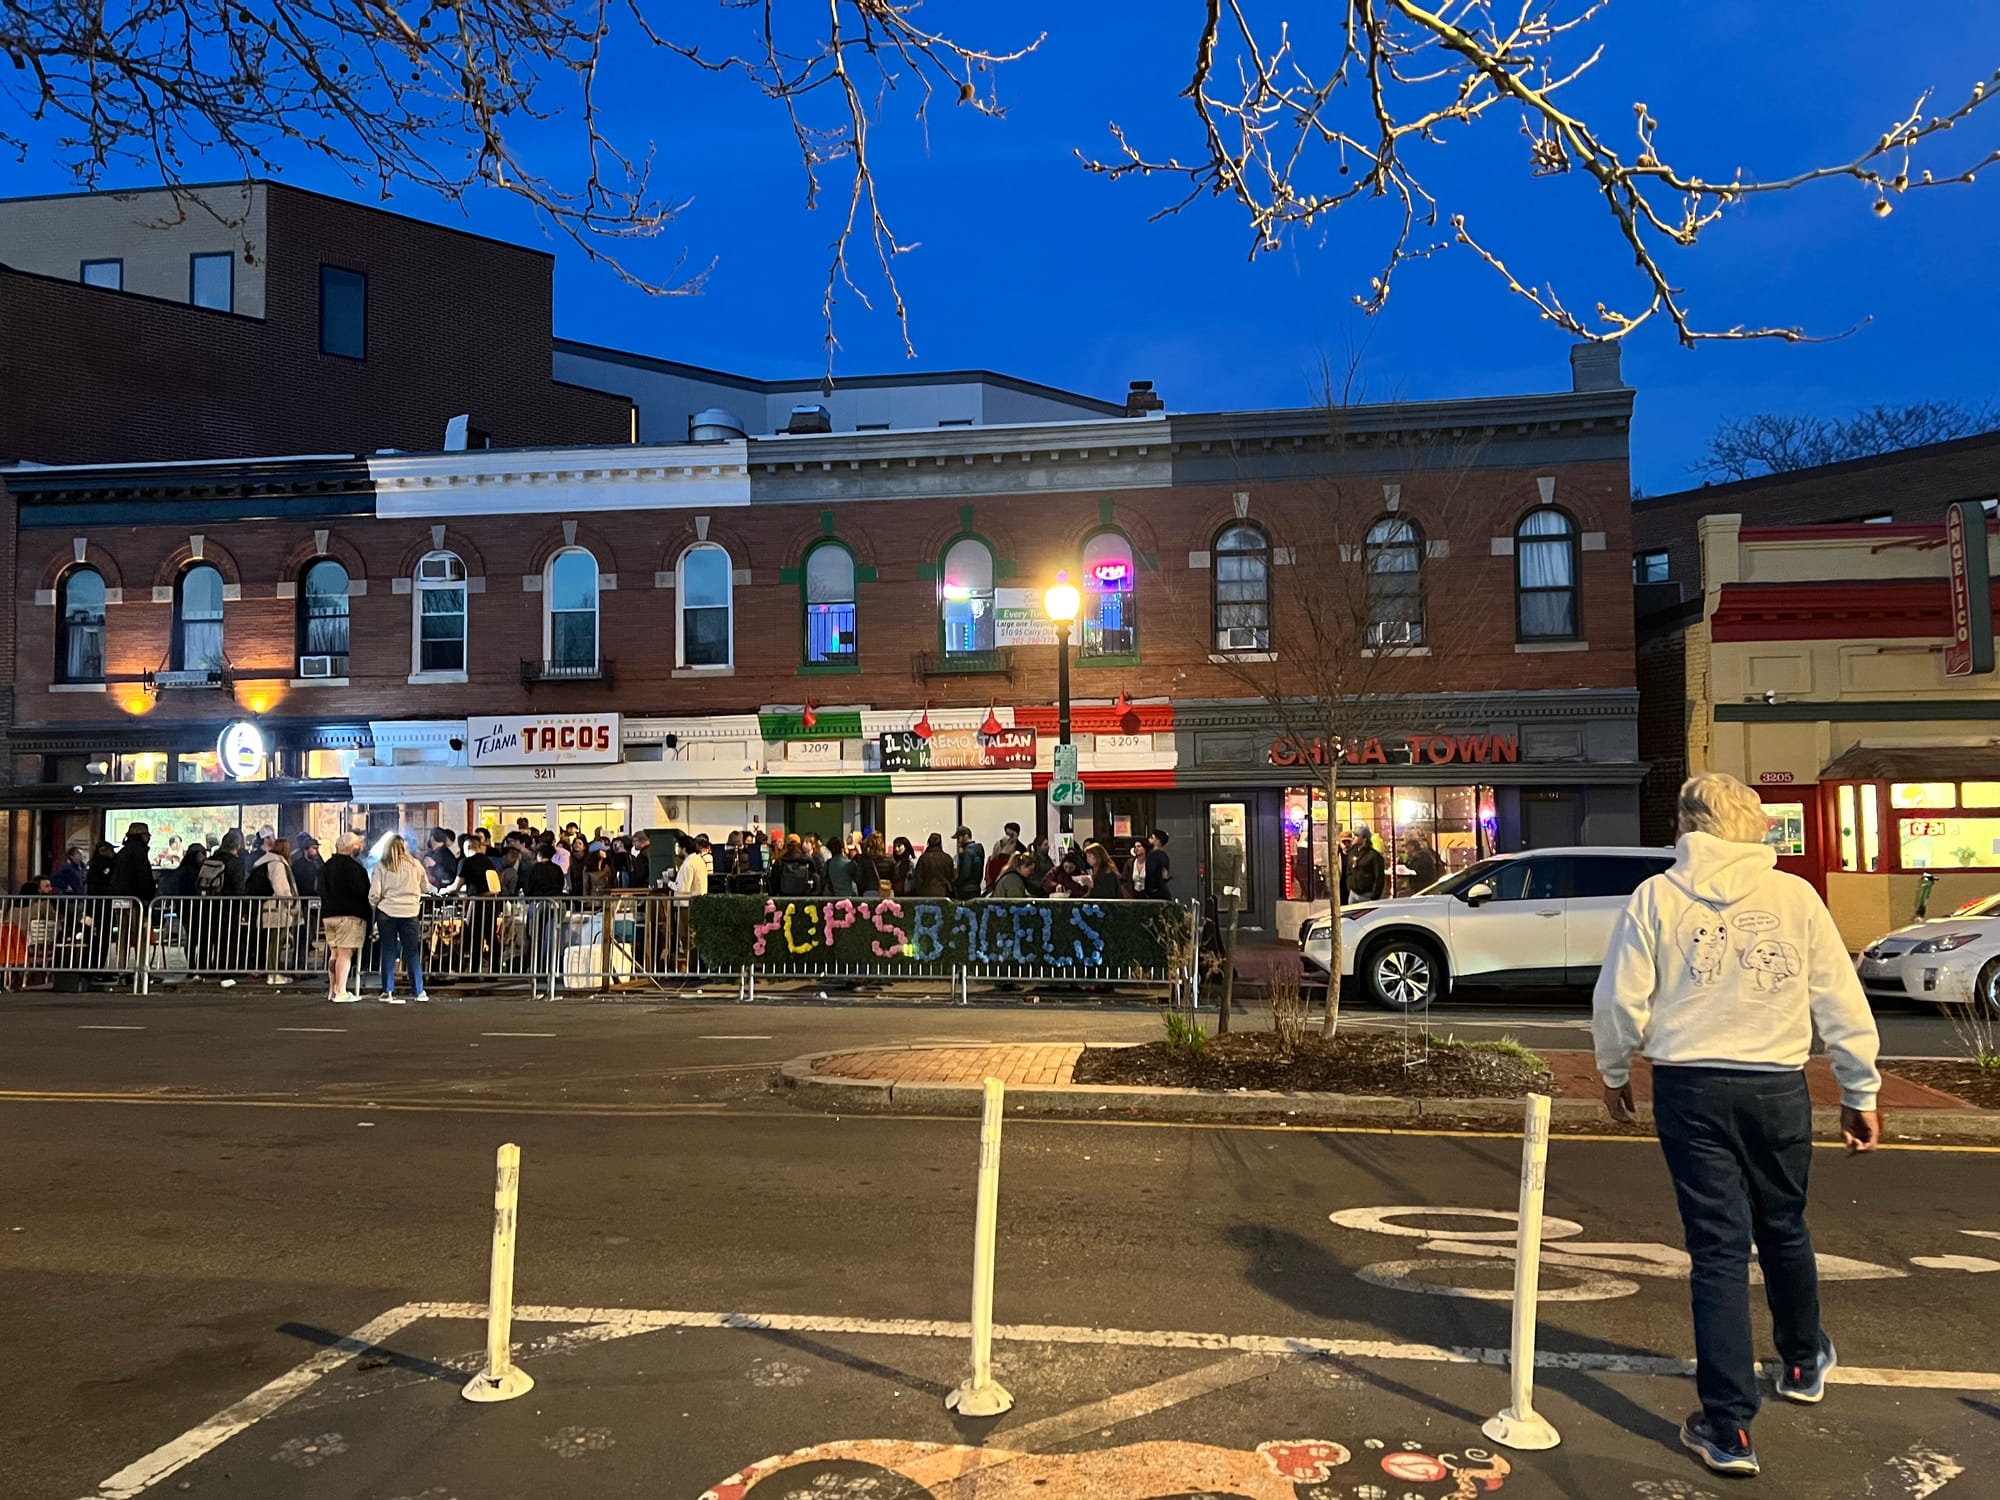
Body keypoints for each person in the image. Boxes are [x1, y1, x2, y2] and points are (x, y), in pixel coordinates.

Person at [1593, 772, 1881, 1480]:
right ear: (1752, 824)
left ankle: (1728, 1426)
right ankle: (1804, 1356)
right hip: (1776, 1085)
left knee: (1718, 1250)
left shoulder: (1656, 897)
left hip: (1689, 1085)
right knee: (1784, 1225)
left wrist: (1613, 1071)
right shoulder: (1794, 896)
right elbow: (1837, 997)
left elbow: (1621, 999)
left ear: (1689, 826)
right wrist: (1859, 1087)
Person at [368, 834, 429, 1004]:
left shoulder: (381, 866)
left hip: (387, 912)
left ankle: (387, 990)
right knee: (412, 952)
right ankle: (419, 990)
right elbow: (425, 886)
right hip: (410, 912)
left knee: (388, 950)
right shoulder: (415, 864)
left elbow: (375, 893)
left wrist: (375, 904)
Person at [321, 833, 372, 1003]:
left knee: (334, 953)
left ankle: (332, 990)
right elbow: (363, 891)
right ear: (350, 847)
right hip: (349, 915)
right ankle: (341, 991)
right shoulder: (355, 868)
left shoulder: (326, 866)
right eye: (358, 844)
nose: (361, 847)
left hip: (328, 914)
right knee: (345, 953)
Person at [251, 836, 300, 984]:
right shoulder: (277, 864)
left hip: (267, 907)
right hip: (278, 909)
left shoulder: (265, 862)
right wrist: (291, 904)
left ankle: (272, 972)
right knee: (276, 943)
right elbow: (282, 888)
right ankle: (274, 974)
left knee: (272, 942)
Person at [1346, 830, 1386, 903]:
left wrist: (1375, 895)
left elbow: (1379, 877)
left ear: (1364, 838)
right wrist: (1350, 885)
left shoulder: (1374, 856)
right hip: (1353, 894)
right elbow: (1349, 871)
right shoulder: (1352, 853)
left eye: (1357, 835)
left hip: (1367, 895)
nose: (1353, 837)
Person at [912, 833, 957, 897]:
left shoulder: (923, 858)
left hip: (926, 892)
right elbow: (952, 877)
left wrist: (919, 891)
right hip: (944, 892)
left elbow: (918, 877)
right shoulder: (947, 858)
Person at [1137, 828, 1173, 901]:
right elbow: (1165, 874)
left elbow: (1151, 874)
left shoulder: (1152, 855)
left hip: (1155, 893)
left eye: (1152, 837)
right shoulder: (1164, 855)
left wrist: (1149, 890)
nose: (1149, 839)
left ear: (1158, 841)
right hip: (1163, 891)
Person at [952, 826, 985, 900]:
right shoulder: (978, 849)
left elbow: (965, 872)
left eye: (959, 838)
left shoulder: (967, 852)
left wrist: (956, 883)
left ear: (966, 836)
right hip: (976, 888)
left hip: (966, 890)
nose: (958, 841)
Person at [290, 834, 324, 899]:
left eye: (317, 848)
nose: (316, 851)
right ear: (305, 850)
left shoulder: (319, 863)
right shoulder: (298, 866)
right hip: (303, 897)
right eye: (314, 848)